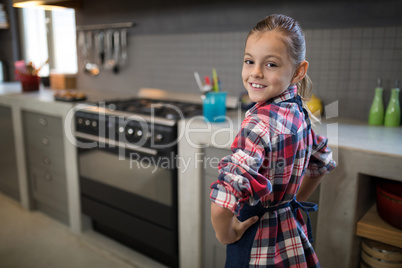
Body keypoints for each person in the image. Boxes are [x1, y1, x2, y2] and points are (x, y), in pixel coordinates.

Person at [210, 14, 336, 267]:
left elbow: (223, 201)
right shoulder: (298, 111)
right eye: (249, 61)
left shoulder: (258, 125)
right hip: (291, 232)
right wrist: (286, 203)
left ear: (299, 71)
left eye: (271, 65)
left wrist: (227, 234)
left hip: (255, 241)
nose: (255, 72)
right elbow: (321, 161)